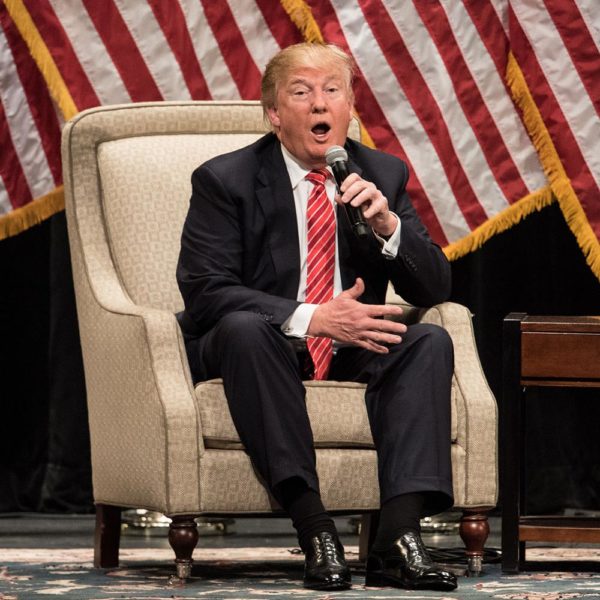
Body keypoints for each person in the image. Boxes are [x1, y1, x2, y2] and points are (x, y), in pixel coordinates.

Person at [176, 42, 457, 592]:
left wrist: (387, 229)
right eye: (301, 92)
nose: (318, 104)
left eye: (332, 91)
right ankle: (315, 529)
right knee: (242, 328)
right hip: (259, 343)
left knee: (427, 342)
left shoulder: (381, 173)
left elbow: (434, 287)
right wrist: (311, 318)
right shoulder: (225, 180)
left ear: (350, 109)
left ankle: (397, 541)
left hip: (348, 345)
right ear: (275, 114)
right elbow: (205, 292)